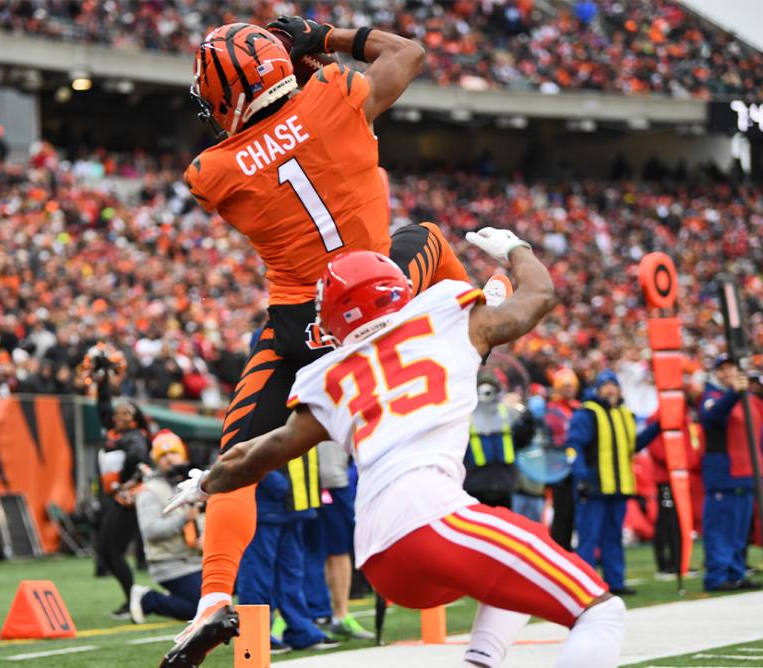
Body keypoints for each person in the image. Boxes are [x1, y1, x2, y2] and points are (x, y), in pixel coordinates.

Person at [173, 231, 626, 668]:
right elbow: (539, 295)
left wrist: (203, 483)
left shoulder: (330, 375)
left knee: (513, 567)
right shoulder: (450, 316)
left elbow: (257, 454)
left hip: (379, 557)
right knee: (600, 612)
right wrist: (515, 249)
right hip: (434, 522)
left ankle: (481, 661)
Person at [170, 17, 473, 664]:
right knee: (433, 242)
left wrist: (295, 75)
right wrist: (323, 35)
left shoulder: (210, 172)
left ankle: (211, 600)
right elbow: (408, 52)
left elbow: (275, 145)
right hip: (376, 305)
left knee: (236, 463)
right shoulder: (337, 91)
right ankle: (473, 334)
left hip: (296, 329)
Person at [566, 370, 659, 596]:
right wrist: (580, 478)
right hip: (595, 486)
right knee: (589, 538)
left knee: (613, 537)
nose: (610, 389)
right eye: (605, 385)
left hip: (618, 487)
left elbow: (633, 446)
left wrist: (658, 426)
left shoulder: (625, 415)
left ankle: (615, 581)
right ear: (597, 389)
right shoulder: (587, 414)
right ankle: (585, 586)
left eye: (613, 385)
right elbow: (573, 447)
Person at [235, 445, 336, 653]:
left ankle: (301, 630)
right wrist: (275, 482)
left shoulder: (298, 411)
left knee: (292, 573)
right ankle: (256, 636)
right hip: (267, 504)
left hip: (294, 504)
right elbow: (247, 446)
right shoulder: (262, 412)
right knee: (257, 573)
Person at [698, 355, 763, 591]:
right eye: (723, 368)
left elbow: (760, 438)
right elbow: (713, 417)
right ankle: (717, 576)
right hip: (723, 475)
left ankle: (735, 572)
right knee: (720, 530)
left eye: (732, 367)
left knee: (740, 530)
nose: (728, 372)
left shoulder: (750, 402)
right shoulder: (711, 397)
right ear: (716, 373)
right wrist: (733, 393)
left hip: (748, 475)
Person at [94, 367, 152, 621]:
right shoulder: (118, 434)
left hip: (127, 501)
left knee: (114, 551)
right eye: (117, 414)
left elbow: (138, 456)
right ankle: (131, 599)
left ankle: (133, 601)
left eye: (124, 413)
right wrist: (103, 381)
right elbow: (104, 410)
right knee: (107, 552)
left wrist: (122, 481)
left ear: (135, 418)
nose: (117, 417)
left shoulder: (134, 437)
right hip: (114, 500)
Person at [129, 431, 204, 623]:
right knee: (200, 608)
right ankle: (148, 599)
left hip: (197, 559)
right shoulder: (150, 490)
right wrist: (183, 520)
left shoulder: (192, 484)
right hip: (171, 563)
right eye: (163, 455)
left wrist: (206, 536)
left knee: (241, 580)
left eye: (173, 452)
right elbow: (151, 531)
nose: (170, 458)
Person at [303, 440, 374, 640]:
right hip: (304, 485)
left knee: (339, 550)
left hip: (333, 482)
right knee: (304, 552)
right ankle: (300, 617)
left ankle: (341, 616)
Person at [644, 378, 702, 579]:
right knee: (667, 518)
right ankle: (666, 563)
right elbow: (655, 447)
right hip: (666, 478)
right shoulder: (659, 416)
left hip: (678, 475)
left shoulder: (682, 418)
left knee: (677, 519)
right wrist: (678, 462)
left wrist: (687, 462)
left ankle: (679, 561)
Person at [464, 372, 535, 509]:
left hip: (504, 485)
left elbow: (522, 440)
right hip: (475, 485)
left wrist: (527, 418)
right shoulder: (467, 415)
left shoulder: (507, 413)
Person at [546, 368, 582, 548]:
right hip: (560, 468)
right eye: (565, 386)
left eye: (571, 386)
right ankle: (560, 549)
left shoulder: (578, 408)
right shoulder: (551, 410)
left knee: (576, 513)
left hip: (577, 467)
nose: (569, 389)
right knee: (562, 514)